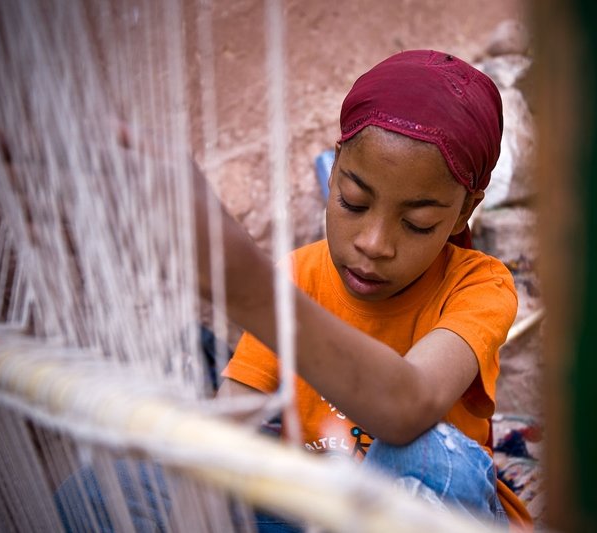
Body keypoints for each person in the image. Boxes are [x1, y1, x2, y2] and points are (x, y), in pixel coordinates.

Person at [206, 49, 532, 531]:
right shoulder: (296, 277)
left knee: (421, 454)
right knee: (120, 484)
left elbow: (408, 408)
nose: (374, 244)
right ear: (335, 169)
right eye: (353, 202)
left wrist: (247, 289)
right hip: (320, 513)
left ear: (464, 213)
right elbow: (226, 425)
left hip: (429, 510)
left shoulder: (478, 286)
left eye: (417, 224)